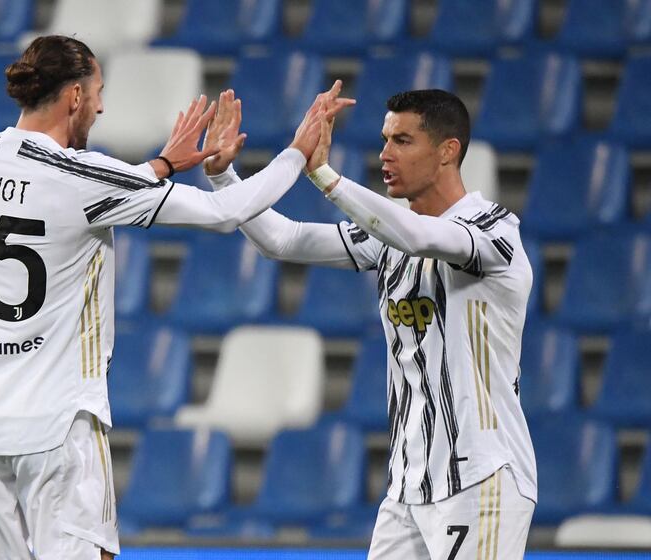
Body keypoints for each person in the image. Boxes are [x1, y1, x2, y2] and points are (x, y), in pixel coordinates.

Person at [0, 35, 346, 560]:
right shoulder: (83, 177)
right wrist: (298, 151)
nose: (101, 106)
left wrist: (159, 166)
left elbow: (63, 197)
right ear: (73, 97)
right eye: (97, 92)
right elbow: (224, 213)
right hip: (53, 423)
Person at [204, 87, 536, 559]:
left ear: (448, 151)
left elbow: (421, 237)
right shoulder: (387, 236)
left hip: (482, 477)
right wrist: (224, 178)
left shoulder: (494, 231)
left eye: (402, 141)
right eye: (384, 139)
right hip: (408, 483)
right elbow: (283, 239)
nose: (384, 155)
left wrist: (324, 175)